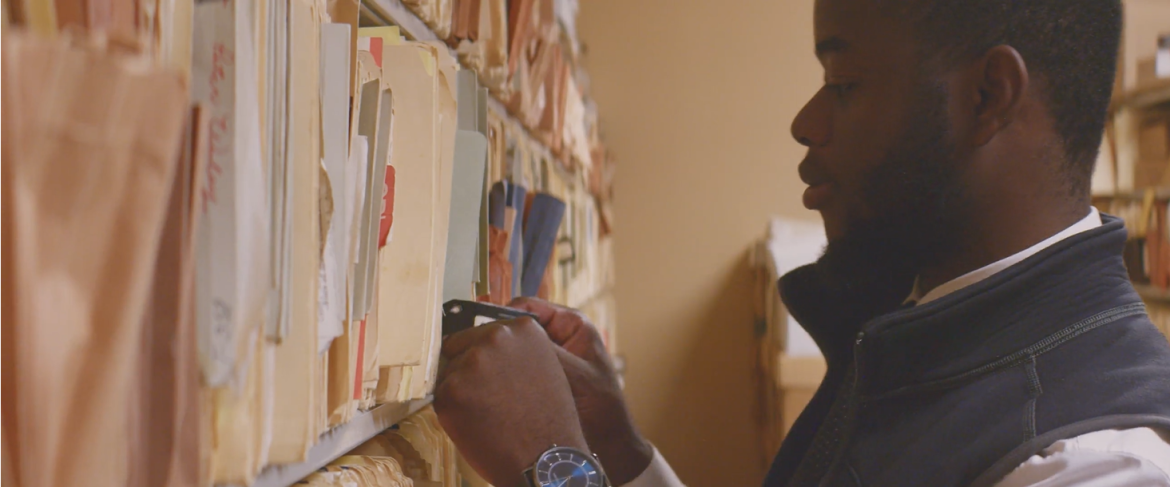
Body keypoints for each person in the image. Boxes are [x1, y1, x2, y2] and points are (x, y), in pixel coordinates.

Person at [431, 0, 1170, 485]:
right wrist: (620, 454)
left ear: (986, 98)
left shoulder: (1099, 463)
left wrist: (554, 468)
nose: (807, 121)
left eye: (843, 81)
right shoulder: (919, 328)